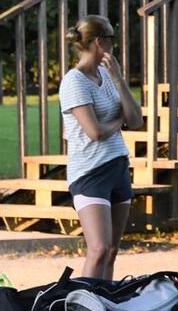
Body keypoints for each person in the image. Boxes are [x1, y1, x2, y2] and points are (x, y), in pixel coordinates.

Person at [59, 15, 143, 280]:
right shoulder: (74, 81)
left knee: (112, 250)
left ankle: (104, 305)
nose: (114, 46)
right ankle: (82, 309)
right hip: (90, 173)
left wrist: (118, 79)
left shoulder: (107, 76)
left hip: (118, 166)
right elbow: (94, 132)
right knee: (98, 249)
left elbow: (137, 120)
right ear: (99, 42)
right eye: (111, 40)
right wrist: (119, 121)